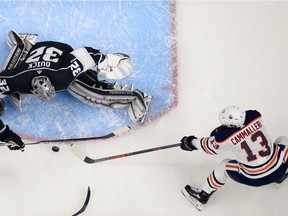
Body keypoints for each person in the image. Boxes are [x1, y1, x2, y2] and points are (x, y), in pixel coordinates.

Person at [0, 30, 152, 123]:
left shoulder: (61, 75)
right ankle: (22, 47)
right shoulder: (19, 80)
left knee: (90, 93)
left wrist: (107, 60)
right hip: (40, 49)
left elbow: (87, 54)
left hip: (62, 53)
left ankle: (136, 98)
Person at [180, 106, 288, 211]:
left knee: (224, 166)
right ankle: (281, 176)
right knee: (283, 140)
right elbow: (242, 127)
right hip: (280, 168)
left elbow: (209, 147)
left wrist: (190, 142)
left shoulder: (224, 138)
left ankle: (202, 194)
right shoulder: (256, 116)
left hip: (255, 177)